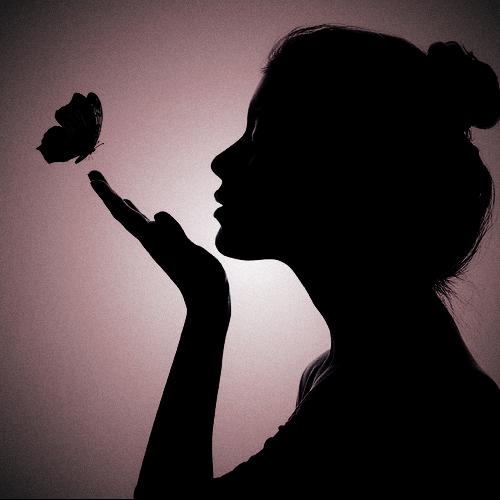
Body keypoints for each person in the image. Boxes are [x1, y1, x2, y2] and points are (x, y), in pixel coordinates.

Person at [88, 25, 500, 496]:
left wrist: (206, 309)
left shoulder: (394, 392)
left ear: (346, 160)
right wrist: (206, 299)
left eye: (259, 133)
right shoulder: (349, 368)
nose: (221, 161)